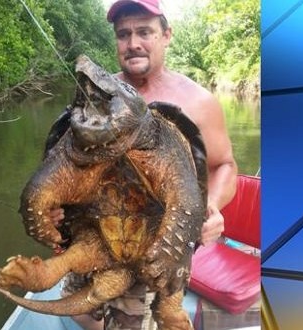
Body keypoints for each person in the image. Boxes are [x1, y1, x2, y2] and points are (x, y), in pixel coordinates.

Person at [55, 1, 238, 329]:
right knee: (78, 308)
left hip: (154, 242)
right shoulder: (94, 97)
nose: (133, 43)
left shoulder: (198, 101)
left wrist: (210, 206)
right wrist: (57, 209)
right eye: (123, 34)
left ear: (167, 35)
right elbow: (68, 166)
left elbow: (225, 164)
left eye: (144, 32)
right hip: (93, 234)